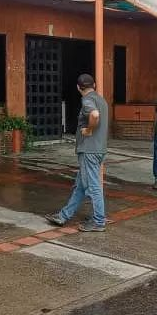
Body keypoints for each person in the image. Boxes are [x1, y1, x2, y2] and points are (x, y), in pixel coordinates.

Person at [45, 74, 110, 232]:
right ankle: (63, 215)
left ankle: (99, 221)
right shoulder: (101, 99)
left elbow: (94, 115)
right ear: (94, 85)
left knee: (93, 186)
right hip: (98, 149)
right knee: (80, 186)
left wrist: (88, 129)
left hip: (89, 150)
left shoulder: (87, 100)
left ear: (78, 87)